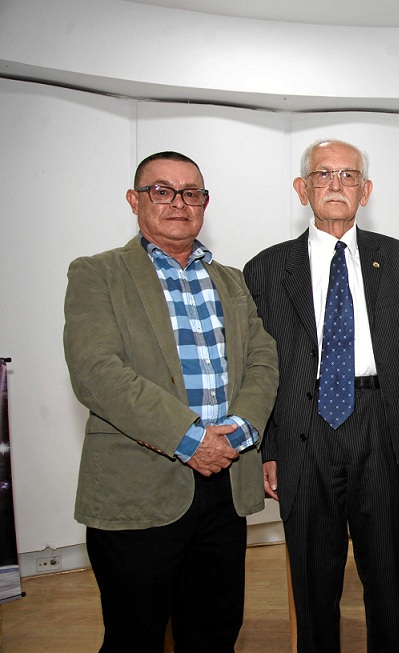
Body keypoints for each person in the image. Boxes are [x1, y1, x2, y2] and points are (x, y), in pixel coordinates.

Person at [63, 151, 279, 653]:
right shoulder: (98, 274)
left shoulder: (231, 279)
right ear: (134, 201)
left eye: (191, 193)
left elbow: (263, 359)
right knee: (133, 638)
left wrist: (239, 431)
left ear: (205, 203)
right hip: (138, 490)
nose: (179, 203)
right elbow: (97, 372)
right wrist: (190, 439)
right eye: (162, 190)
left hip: (225, 487)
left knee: (214, 634)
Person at [243, 139, 399, 653]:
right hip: (302, 431)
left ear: (366, 191)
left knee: (384, 579)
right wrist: (270, 449)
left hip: (382, 425)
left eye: (348, 176)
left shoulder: (396, 258)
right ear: (302, 188)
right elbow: (257, 368)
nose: (336, 184)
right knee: (313, 581)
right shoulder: (265, 268)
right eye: (324, 174)